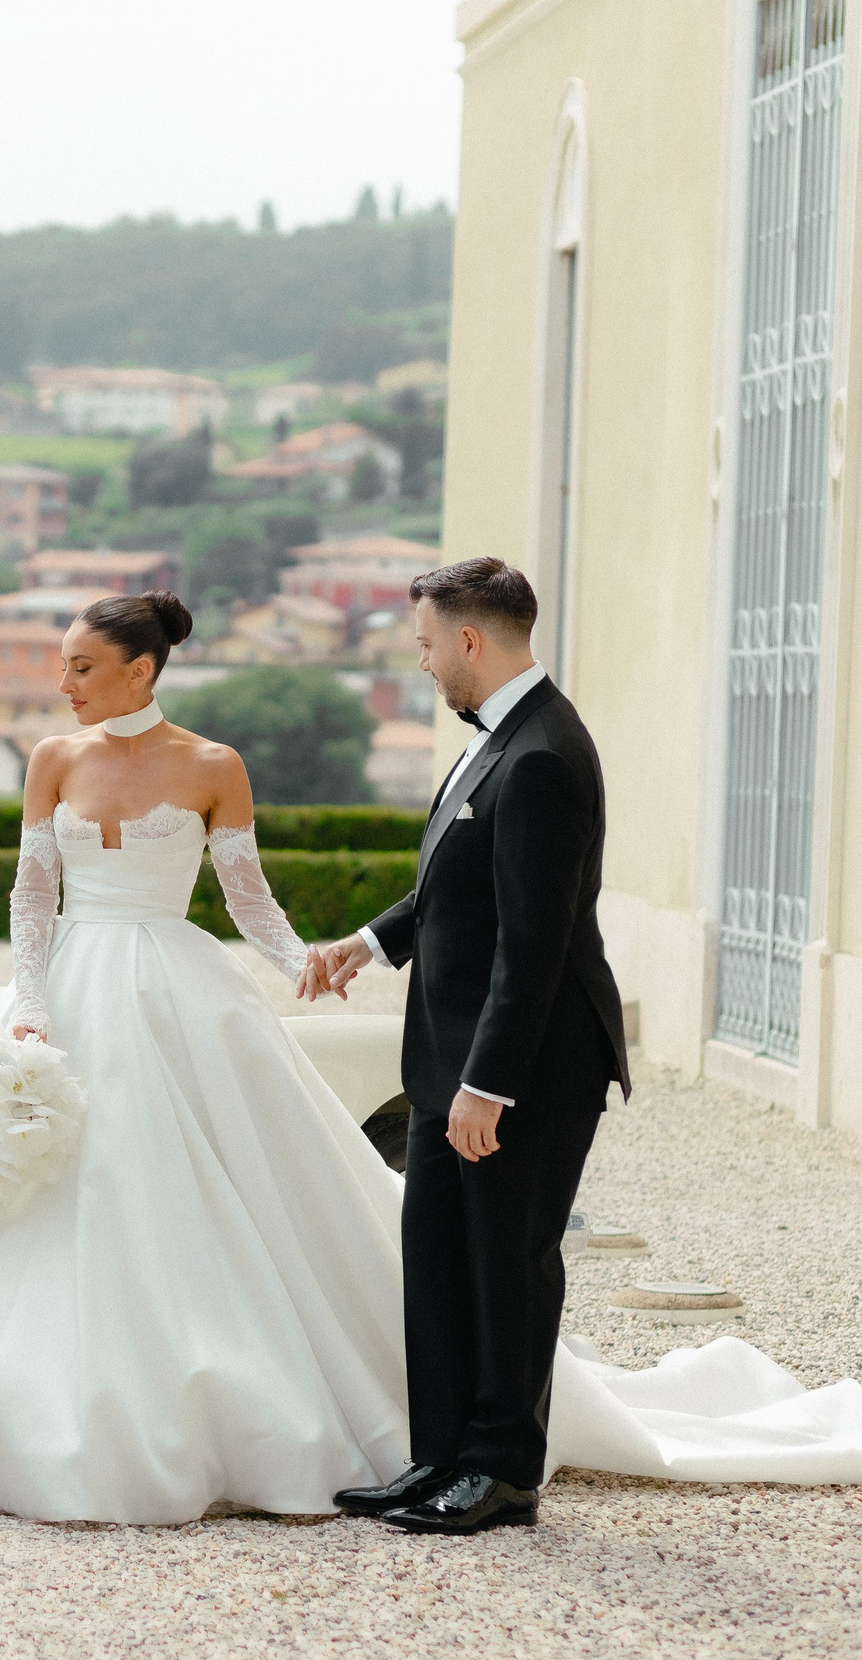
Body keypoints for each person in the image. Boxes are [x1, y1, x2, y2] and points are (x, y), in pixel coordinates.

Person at [0, 578, 862, 1528]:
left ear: (139, 669)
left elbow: (250, 897)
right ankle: (440, 1449)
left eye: (81, 666)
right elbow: (34, 893)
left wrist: (294, 959)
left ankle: (472, 1458)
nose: (64, 683)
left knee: (285, 1205)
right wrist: (28, 999)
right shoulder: (53, 757)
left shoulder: (225, 762)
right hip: (68, 990)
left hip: (180, 993)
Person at [314, 556, 628, 1535]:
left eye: (422, 647)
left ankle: (499, 1475)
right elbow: (461, 884)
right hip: (454, 1058)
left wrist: (489, 1083)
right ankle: (440, 1457)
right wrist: (368, 944)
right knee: (441, 1258)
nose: (420, 666)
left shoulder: (539, 755)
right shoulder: (494, 738)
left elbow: (531, 946)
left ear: (467, 640)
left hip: (525, 1063)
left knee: (506, 1264)